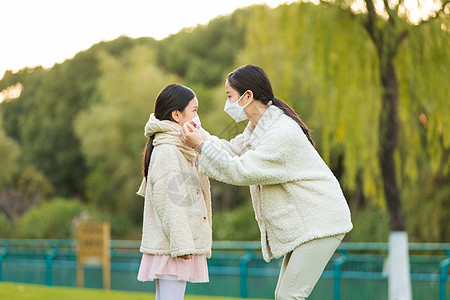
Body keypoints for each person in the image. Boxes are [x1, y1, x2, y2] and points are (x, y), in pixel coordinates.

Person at [180, 65, 353, 300]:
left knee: (289, 295)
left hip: (321, 221)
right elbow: (231, 151)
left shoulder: (281, 134)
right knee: (284, 294)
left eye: (229, 96)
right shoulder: (258, 129)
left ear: (247, 96)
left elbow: (240, 170)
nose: (227, 103)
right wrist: (199, 133)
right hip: (310, 223)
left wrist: (200, 145)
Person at [136, 83, 212, 300]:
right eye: (194, 111)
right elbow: (170, 204)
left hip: (175, 245)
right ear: (177, 115)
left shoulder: (176, 148)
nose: (198, 117)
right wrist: (182, 244)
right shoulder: (169, 151)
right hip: (174, 247)